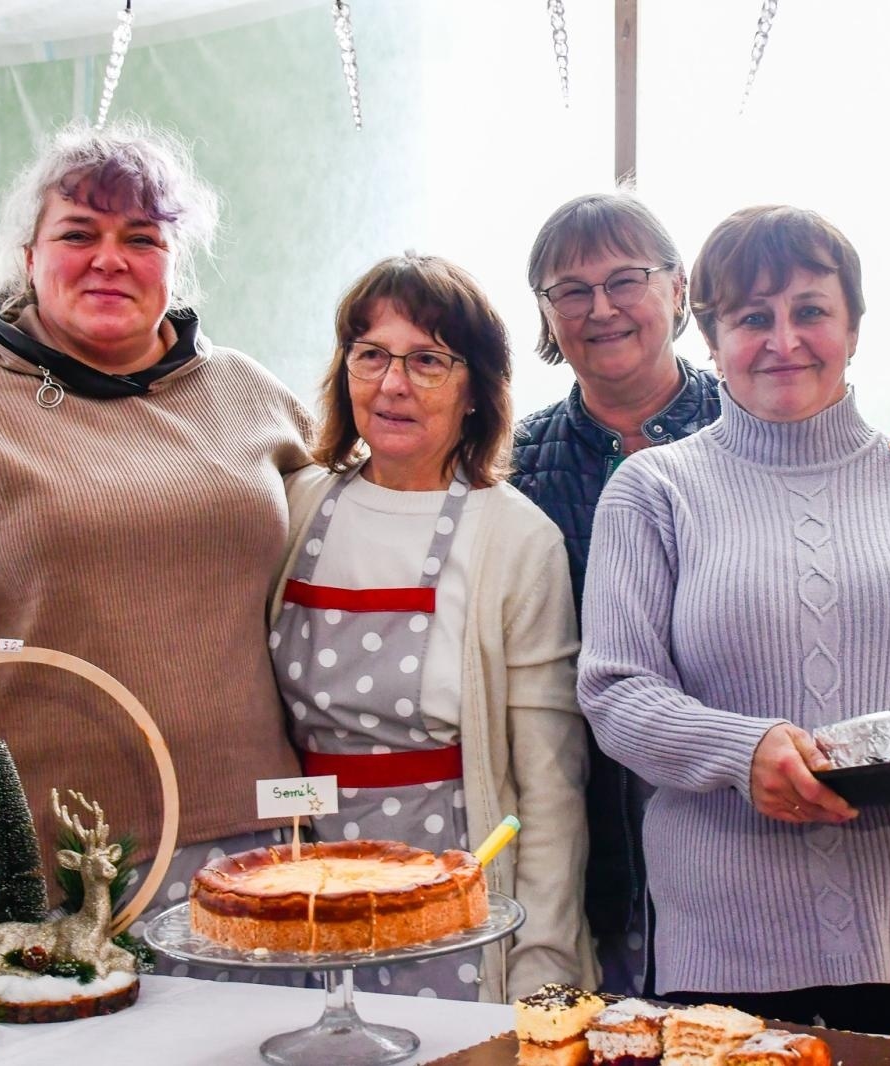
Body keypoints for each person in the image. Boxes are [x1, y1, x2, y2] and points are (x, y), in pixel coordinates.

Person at [577, 205, 890, 1043]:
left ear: (853, 326)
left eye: (811, 310)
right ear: (709, 340)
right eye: (752, 317)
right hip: (724, 952)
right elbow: (616, 693)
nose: (784, 339)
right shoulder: (654, 492)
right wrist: (742, 752)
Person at [0, 122, 315, 921]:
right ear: (28, 257)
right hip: (43, 872)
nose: (109, 259)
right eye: (78, 233)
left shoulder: (247, 395)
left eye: (141, 238)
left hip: (263, 844)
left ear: (173, 260)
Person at [512, 192, 890, 994]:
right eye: (571, 291)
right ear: (546, 315)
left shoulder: (791, 411)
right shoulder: (516, 463)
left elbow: (840, 468)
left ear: (679, 293)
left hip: (872, 883)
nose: (602, 308)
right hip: (595, 815)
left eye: (626, 279)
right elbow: (608, 683)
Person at [269, 254, 595, 1002]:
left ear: (477, 389)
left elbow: (548, 784)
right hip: (303, 896)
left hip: (456, 909)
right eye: (371, 355)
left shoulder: (515, 538)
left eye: (428, 361)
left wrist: (542, 955)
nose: (392, 384)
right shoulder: (294, 506)